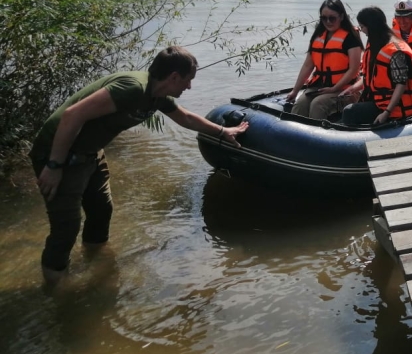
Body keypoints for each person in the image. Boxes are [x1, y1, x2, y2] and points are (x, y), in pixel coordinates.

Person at [30, 46, 249, 285]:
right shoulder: (131, 88)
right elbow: (72, 115)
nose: (189, 87)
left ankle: (97, 265)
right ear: (174, 77)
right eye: (188, 80)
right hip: (59, 153)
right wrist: (53, 165)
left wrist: (222, 131)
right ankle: (56, 290)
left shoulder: (157, 95)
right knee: (66, 228)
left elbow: (185, 117)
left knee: (101, 210)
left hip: (90, 153)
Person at [285, 0, 363, 119]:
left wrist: (334, 89)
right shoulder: (318, 36)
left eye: (332, 18)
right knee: (301, 103)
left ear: (341, 17)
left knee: (318, 104)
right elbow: (307, 66)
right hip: (320, 86)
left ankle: (315, 135)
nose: (328, 22)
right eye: (324, 18)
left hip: (345, 88)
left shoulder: (350, 37)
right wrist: (295, 91)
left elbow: (353, 69)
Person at [340, 6, 412, 126]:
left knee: (350, 111)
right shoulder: (374, 44)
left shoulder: (395, 51)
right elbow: (369, 77)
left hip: (393, 108)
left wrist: (387, 112)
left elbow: (401, 84)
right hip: (377, 101)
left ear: (371, 26)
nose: (362, 30)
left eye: (362, 27)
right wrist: (353, 88)